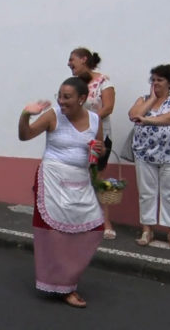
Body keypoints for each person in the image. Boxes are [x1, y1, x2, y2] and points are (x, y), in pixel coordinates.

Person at [18, 73, 105, 308]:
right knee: (54, 235)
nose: (61, 101)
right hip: (53, 180)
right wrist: (26, 114)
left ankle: (67, 279)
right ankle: (63, 287)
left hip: (80, 181)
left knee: (94, 228)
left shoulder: (96, 120)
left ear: (82, 99)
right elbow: (24, 135)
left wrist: (99, 150)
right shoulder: (52, 116)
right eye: (60, 96)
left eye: (67, 97)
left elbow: (98, 156)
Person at [128, 65, 170, 250]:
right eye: (153, 79)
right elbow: (133, 115)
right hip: (145, 154)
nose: (155, 83)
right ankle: (147, 230)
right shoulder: (143, 99)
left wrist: (146, 120)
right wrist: (152, 99)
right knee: (147, 193)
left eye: (160, 80)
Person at [68, 47, 117, 240]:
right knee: (77, 178)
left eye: (72, 60)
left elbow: (108, 108)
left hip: (99, 137)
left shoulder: (104, 81)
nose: (69, 64)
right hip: (76, 137)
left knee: (96, 178)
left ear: (84, 59)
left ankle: (105, 222)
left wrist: (88, 120)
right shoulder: (72, 84)